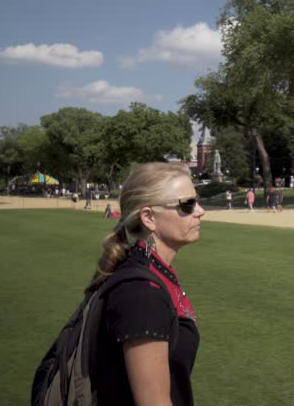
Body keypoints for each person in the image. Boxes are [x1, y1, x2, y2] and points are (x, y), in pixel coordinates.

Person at [79, 162, 204, 405]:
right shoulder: (142, 293)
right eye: (187, 205)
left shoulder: (151, 271)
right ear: (148, 217)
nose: (200, 210)